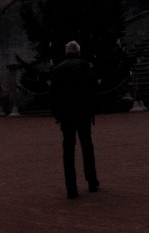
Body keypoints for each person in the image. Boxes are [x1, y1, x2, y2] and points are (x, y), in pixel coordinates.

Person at [50, 40, 99, 199]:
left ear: (67, 52)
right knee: (87, 146)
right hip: (82, 111)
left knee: (68, 150)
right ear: (78, 52)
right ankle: (92, 181)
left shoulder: (58, 68)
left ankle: (71, 187)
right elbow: (92, 87)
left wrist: (57, 113)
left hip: (66, 113)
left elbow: (54, 93)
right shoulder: (84, 65)